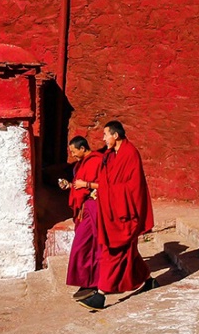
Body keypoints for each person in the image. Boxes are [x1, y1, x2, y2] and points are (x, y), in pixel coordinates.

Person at [78, 120, 156, 310]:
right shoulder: (111, 156)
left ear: (116, 135)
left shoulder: (130, 155)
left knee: (114, 252)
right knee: (128, 253)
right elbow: (107, 179)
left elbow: (133, 187)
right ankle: (148, 280)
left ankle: (101, 295)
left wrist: (101, 189)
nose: (104, 139)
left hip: (126, 212)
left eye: (106, 134)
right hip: (113, 209)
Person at [61, 136, 105, 301]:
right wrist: (70, 185)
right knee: (87, 247)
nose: (72, 155)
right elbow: (80, 184)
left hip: (93, 208)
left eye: (74, 151)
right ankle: (88, 282)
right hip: (84, 209)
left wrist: (85, 186)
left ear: (82, 148)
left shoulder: (96, 161)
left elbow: (104, 184)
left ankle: (93, 282)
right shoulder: (82, 164)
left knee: (82, 246)